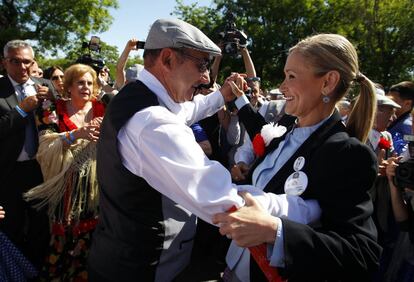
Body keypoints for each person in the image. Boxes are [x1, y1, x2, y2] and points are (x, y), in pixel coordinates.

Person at [89, 18, 301, 282]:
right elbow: (224, 201)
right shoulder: (154, 123)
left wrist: (220, 96)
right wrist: (300, 208)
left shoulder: (138, 99)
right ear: (167, 59)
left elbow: (185, 111)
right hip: (144, 269)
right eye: (201, 64)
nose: (205, 77)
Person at [212, 33, 382, 281]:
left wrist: (275, 231)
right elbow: (259, 130)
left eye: (291, 76)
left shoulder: (347, 153)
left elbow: (362, 254)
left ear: (328, 82)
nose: (282, 87)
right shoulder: (289, 129)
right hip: (235, 266)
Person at [24, 63, 105, 281]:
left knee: (90, 242)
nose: (86, 87)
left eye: (90, 83)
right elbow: (44, 146)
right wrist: (76, 134)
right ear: (68, 86)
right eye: (80, 82)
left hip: (96, 189)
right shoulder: (52, 108)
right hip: (64, 188)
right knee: (62, 245)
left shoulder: (103, 108)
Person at [0, 39, 50, 271]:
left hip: (41, 170)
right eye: (15, 61)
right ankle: (16, 272)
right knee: (13, 225)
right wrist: (21, 110)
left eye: (27, 62)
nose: (22, 67)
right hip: (9, 172)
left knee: (40, 224)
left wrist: (51, 102)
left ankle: (37, 269)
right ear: (4, 62)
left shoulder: (45, 85)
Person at [386, 81, 414, 155]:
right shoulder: (394, 119)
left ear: (407, 103)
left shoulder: (408, 126)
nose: (387, 103)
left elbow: (403, 154)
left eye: (392, 101)